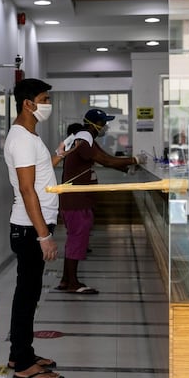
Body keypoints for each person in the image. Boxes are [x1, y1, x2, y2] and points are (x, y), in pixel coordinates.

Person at [3, 78, 66, 378]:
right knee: (27, 295)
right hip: (30, 229)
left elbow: (37, 176)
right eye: (44, 99)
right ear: (28, 104)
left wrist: (56, 157)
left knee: (28, 293)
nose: (47, 104)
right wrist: (44, 236)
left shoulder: (27, 136)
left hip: (31, 227)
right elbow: (28, 191)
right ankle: (23, 361)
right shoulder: (22, 139)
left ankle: (21, 353)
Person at [56, 108, 139, 293]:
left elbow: (106, 158)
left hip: (76, 199)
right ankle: (73, 284)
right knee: (77, 240)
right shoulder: (84, 139)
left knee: (73, 240)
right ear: (95, 124)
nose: (106, 127)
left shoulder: (86, 138)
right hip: (77, 201)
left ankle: (65, 280)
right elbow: (106, 161)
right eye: (104, 123)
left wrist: (127, 168)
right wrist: (133, 160)